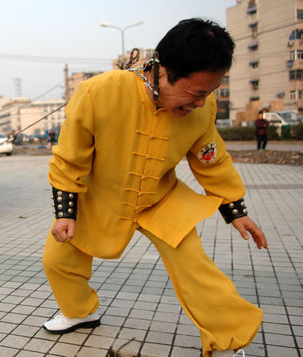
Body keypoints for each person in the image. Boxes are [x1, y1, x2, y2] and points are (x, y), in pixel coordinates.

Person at [42, 18, 268, 357]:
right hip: (97, 197)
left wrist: (236, 210)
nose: (200, 103)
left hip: (160, 199)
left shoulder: (202, 110)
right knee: (57, 260)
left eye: (209, 94)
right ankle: (79, 312)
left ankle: (228, 340)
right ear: (161, 71)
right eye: (195, 93)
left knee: (195, 268)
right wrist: (65, 213)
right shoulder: (98, 92)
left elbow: (212, 160)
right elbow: (69, 158)